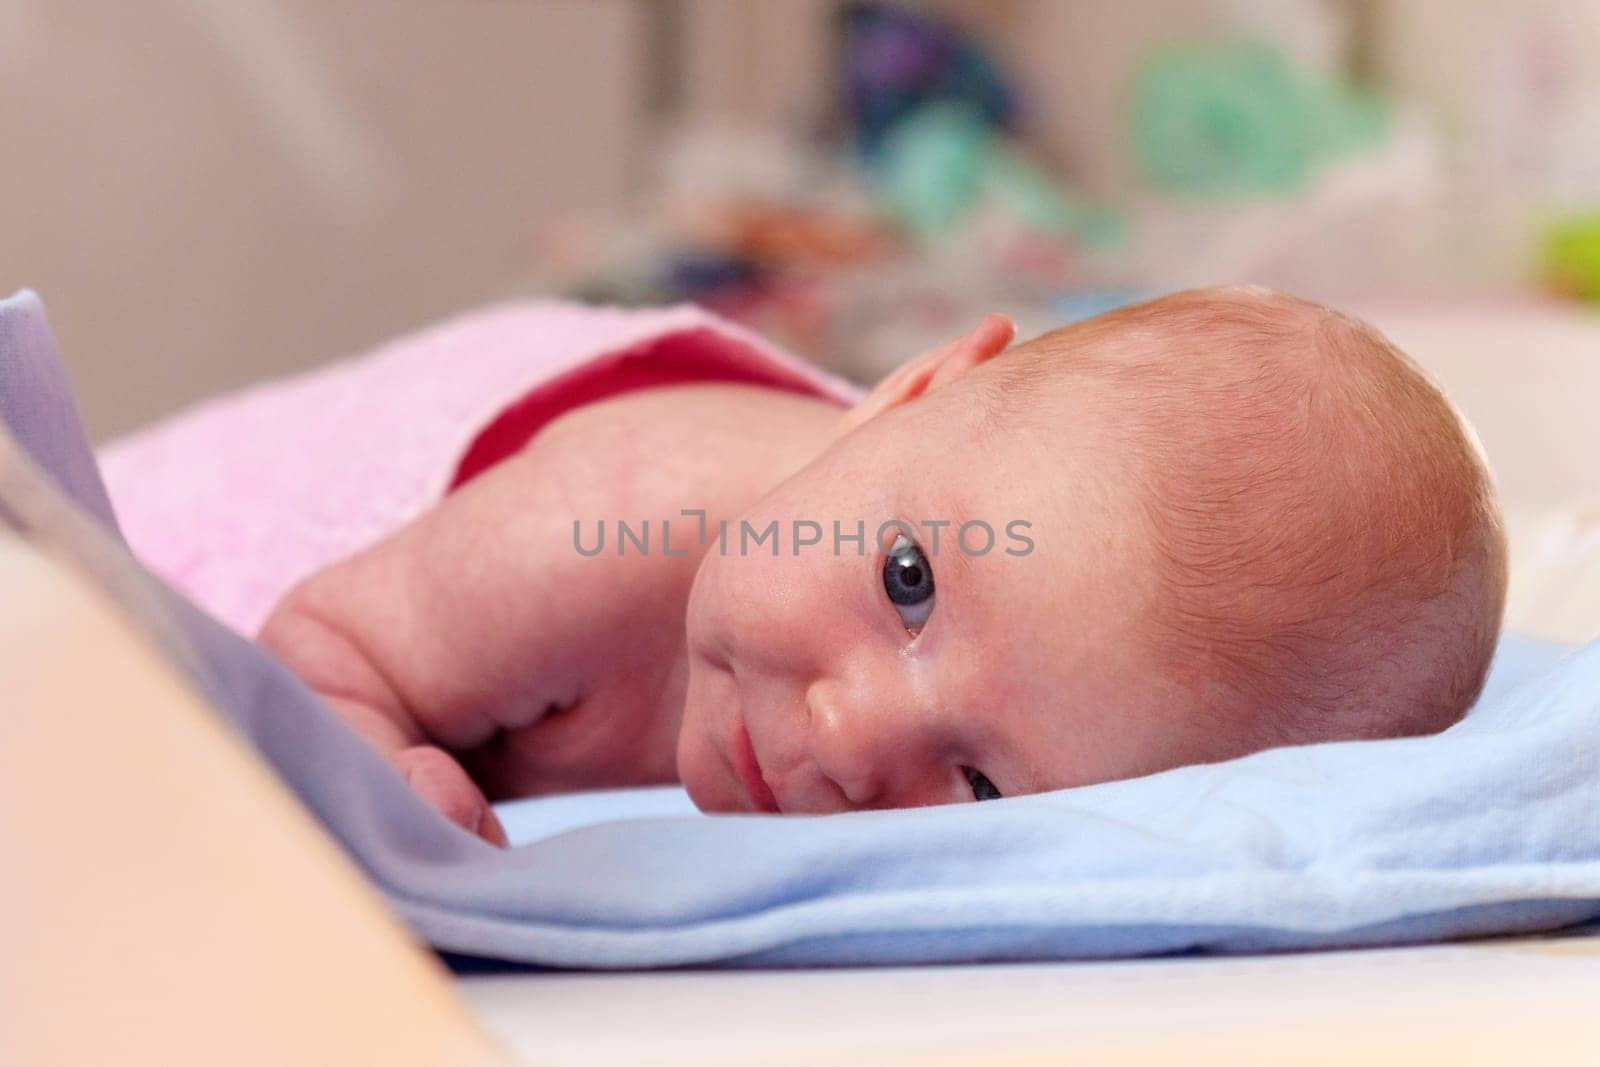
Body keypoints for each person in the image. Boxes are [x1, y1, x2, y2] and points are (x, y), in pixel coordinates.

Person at [106, 287, 1506, 845]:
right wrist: (381, 774)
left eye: (978, 785)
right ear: (911, 389)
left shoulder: (968, 500)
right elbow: (319, 645)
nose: (843, 740)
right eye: (907, 582)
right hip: (173, 513)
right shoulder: (603, 530)